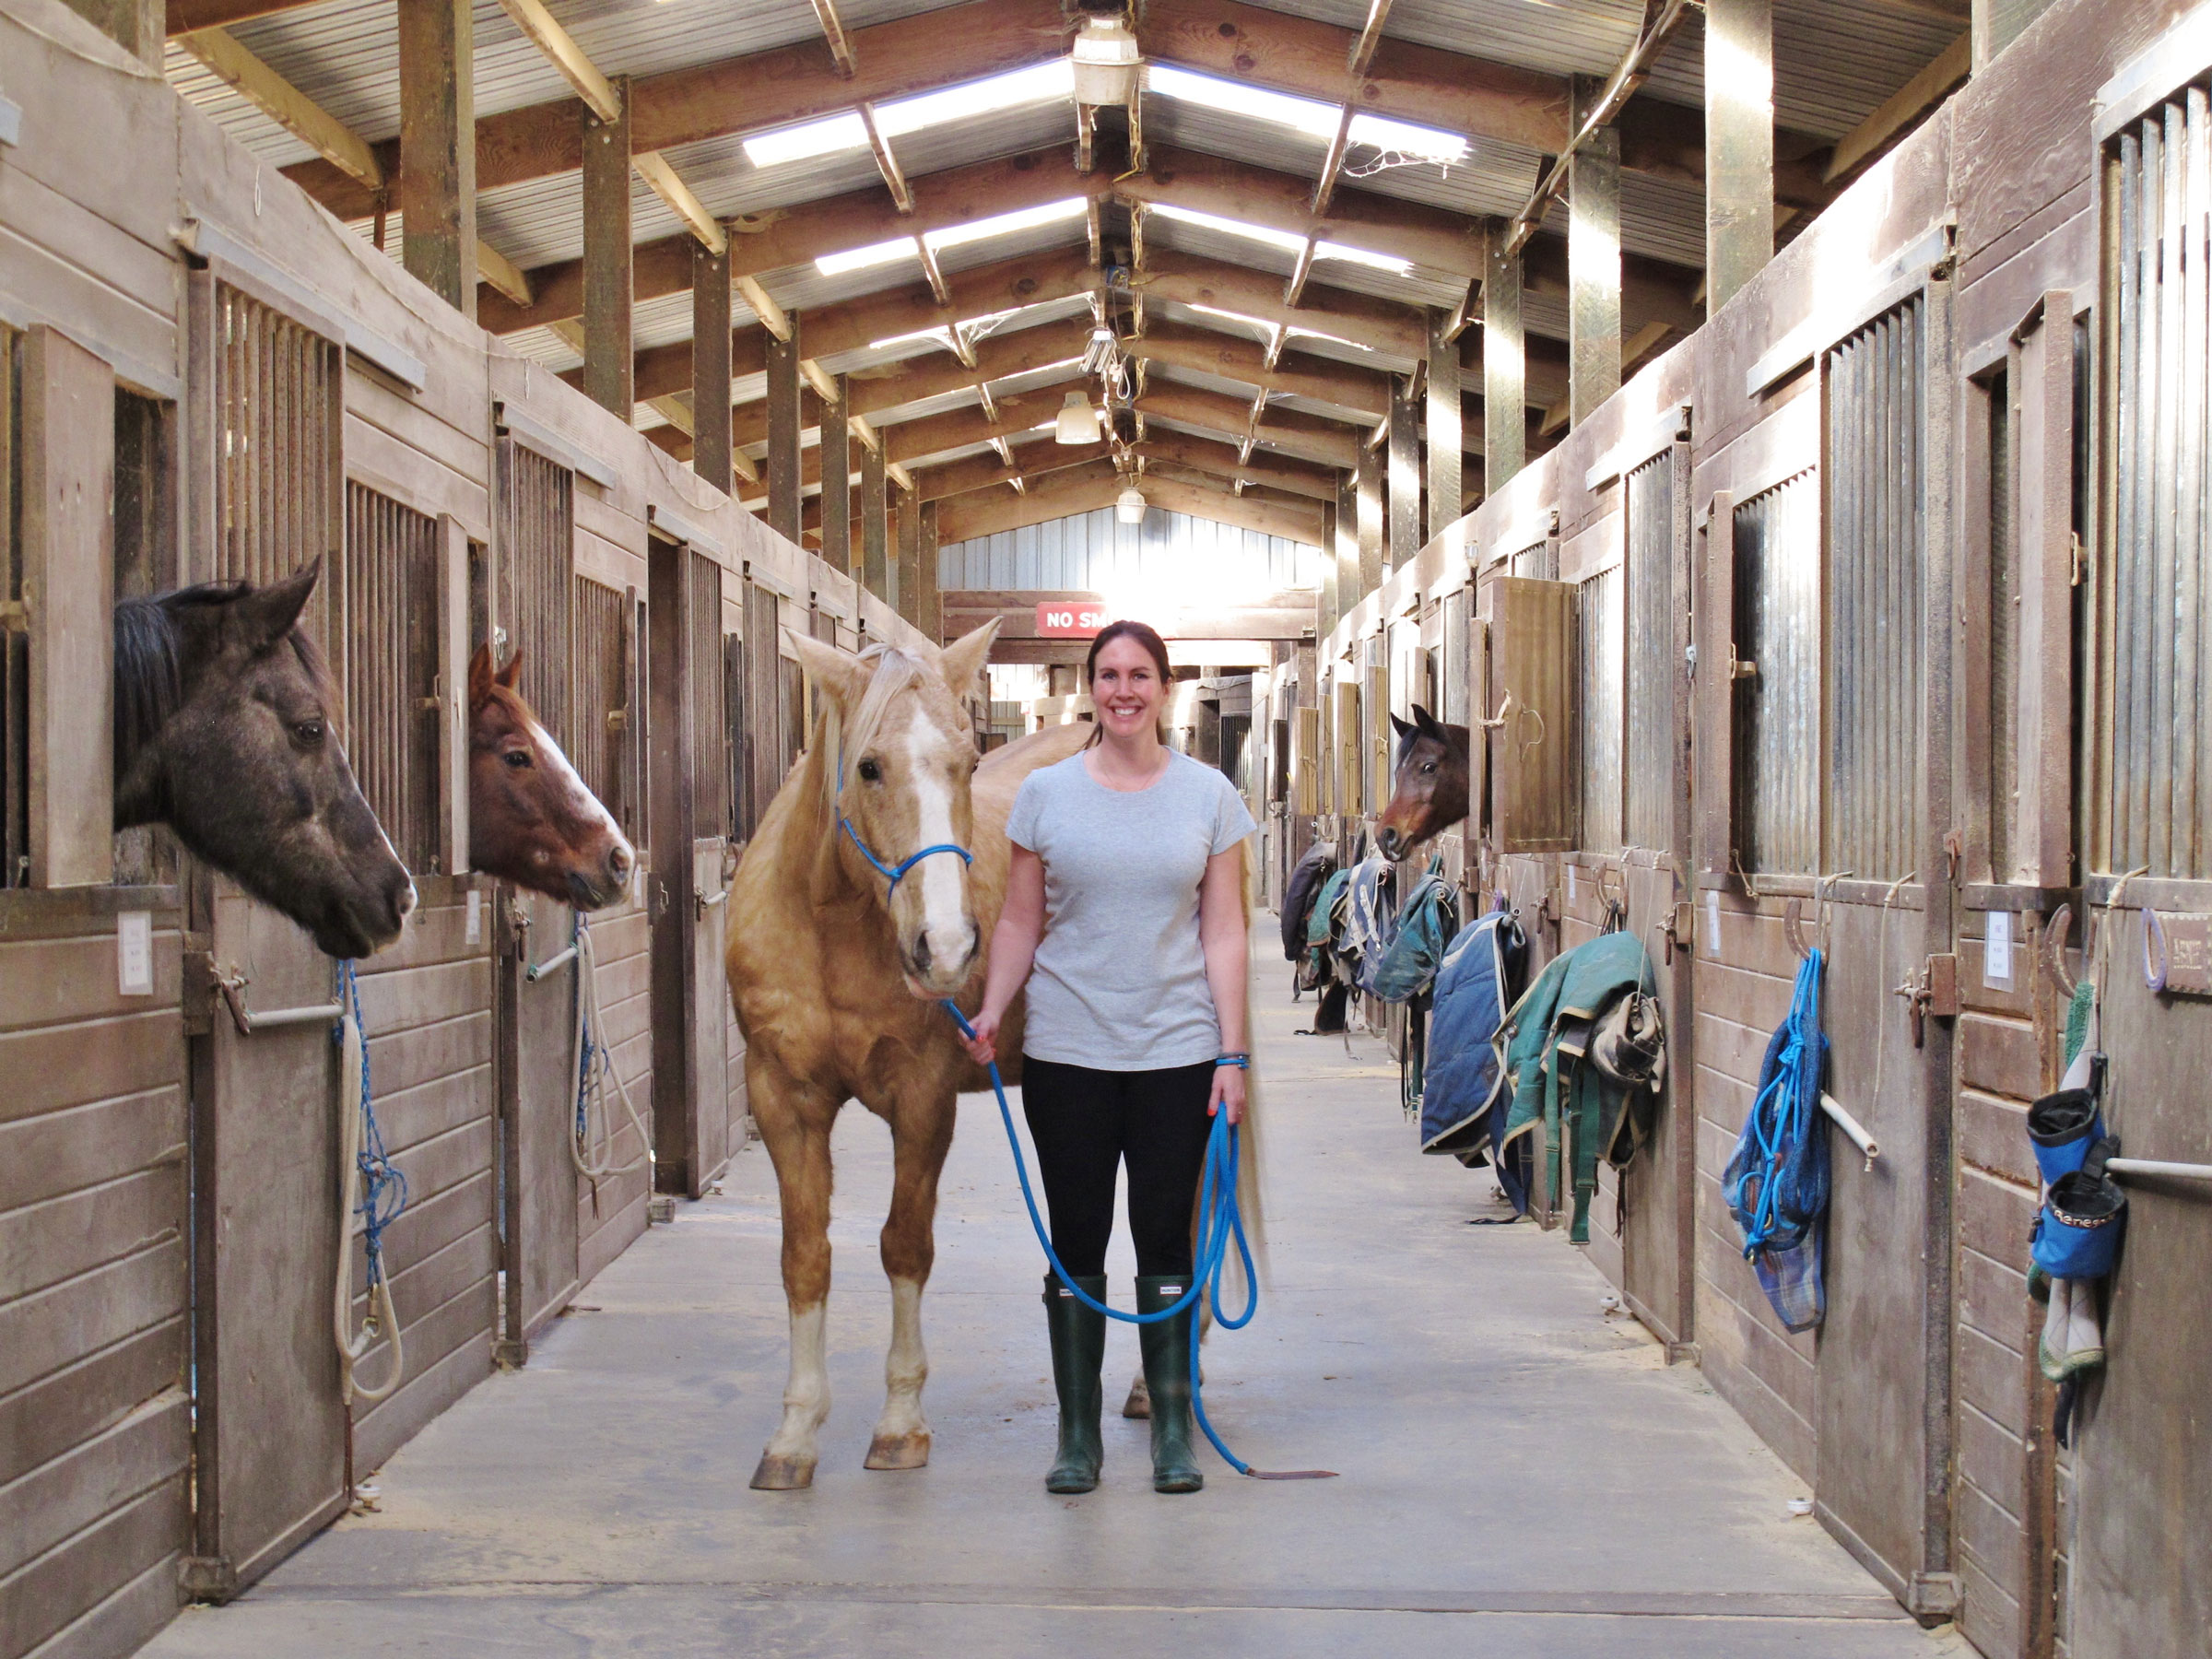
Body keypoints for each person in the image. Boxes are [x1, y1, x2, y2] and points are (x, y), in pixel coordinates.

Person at [960, 619, 1256, 1496]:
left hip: (1177, 1053)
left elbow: (1224, 931)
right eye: (1109, 675)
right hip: (1068, 1051)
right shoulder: (1045, 795)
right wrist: (993, 1006)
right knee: (1076, 1238)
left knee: (1166, 1238)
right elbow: (1020, 919)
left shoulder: (1209, 797)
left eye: (1139, 675)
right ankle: (1077, 1436)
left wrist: (1232, 1053)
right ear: (1092, 687)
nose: (1123, 690)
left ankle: (1171, 1428)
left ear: (1163, 688)